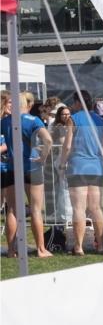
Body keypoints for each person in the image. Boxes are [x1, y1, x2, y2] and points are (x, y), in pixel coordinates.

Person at [2, 91, 54, 257]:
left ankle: (11, 250)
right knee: (36, 209)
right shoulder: (33, 120)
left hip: (11, 167)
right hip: (32, 167)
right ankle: (41, 249)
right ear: (26, 104)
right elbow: (49, 140)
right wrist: (43, 157)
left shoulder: (5, 122)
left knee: (12, 210)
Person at [58, 89, 103, 255]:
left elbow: (68, 145)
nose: (72, 105)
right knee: (96, 208)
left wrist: (62, 163)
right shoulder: (100, 120)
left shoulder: (74, 119)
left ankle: (78, 247)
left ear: (79, 102)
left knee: (78, 208)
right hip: (96, 166)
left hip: (78, 166)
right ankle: (100, 245)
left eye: (73, 102)